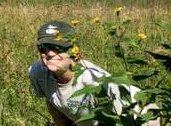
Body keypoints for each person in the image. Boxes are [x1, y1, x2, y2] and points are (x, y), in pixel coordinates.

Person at [28, 20, 159, 126]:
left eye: (57, 47)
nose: (49, 53)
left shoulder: (96, 83)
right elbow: (55, 106)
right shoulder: (37, 72)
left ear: (75, 52)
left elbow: (120, 120)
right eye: (43, 47)